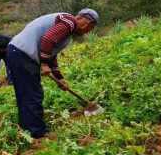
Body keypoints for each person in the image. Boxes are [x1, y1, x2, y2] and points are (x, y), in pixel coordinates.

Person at [6, 9, 99, 138]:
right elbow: (47, 40)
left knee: (26, 93)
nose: (88, 31)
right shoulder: (69, 22)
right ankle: (37, 133)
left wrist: (59, 78)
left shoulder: (66, 31)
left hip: (17, 52)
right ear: (85, 21)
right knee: (33, 94)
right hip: (22, 54)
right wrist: (43, 64)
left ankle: (28, 129)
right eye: (90, 27)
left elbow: (51, 55)